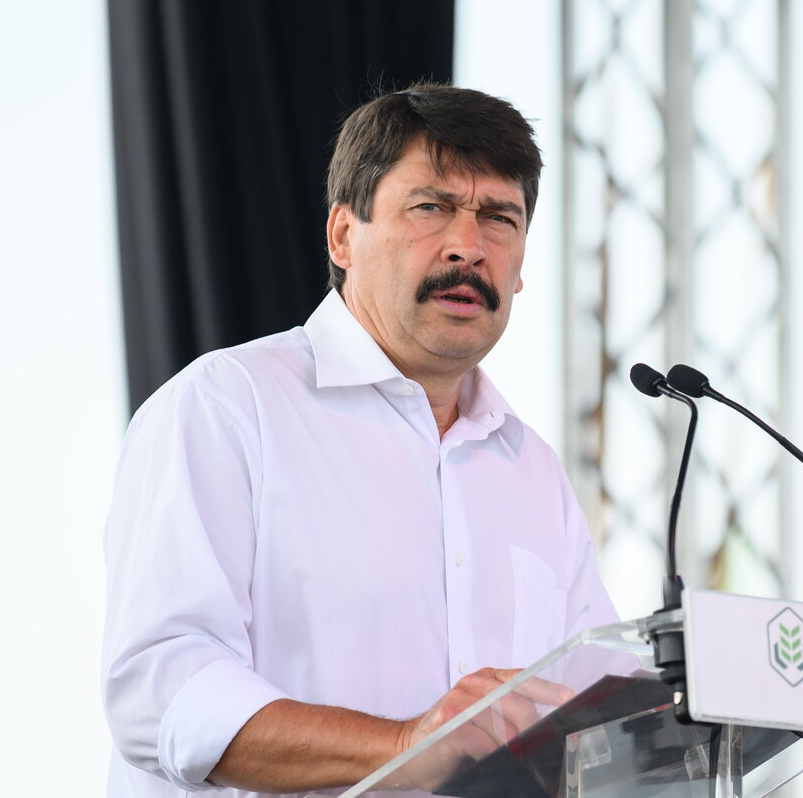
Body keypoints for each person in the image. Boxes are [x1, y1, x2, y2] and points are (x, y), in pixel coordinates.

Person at [102, 84, 619, 797]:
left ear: (523, 263)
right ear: (343, 235)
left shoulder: (533, 471)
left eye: (500, 218)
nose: (469, 247)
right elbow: (160, 689)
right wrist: (406, 746)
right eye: (431, 207)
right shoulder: (226, 407)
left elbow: (602, 716)